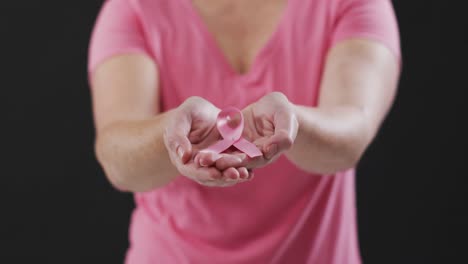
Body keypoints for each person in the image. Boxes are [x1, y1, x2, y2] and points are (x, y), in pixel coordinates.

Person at [88, 0, 400, 262]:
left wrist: (293, 124)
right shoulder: (134, 8)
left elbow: (352, 133)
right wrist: (170, 136)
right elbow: (118, 159)